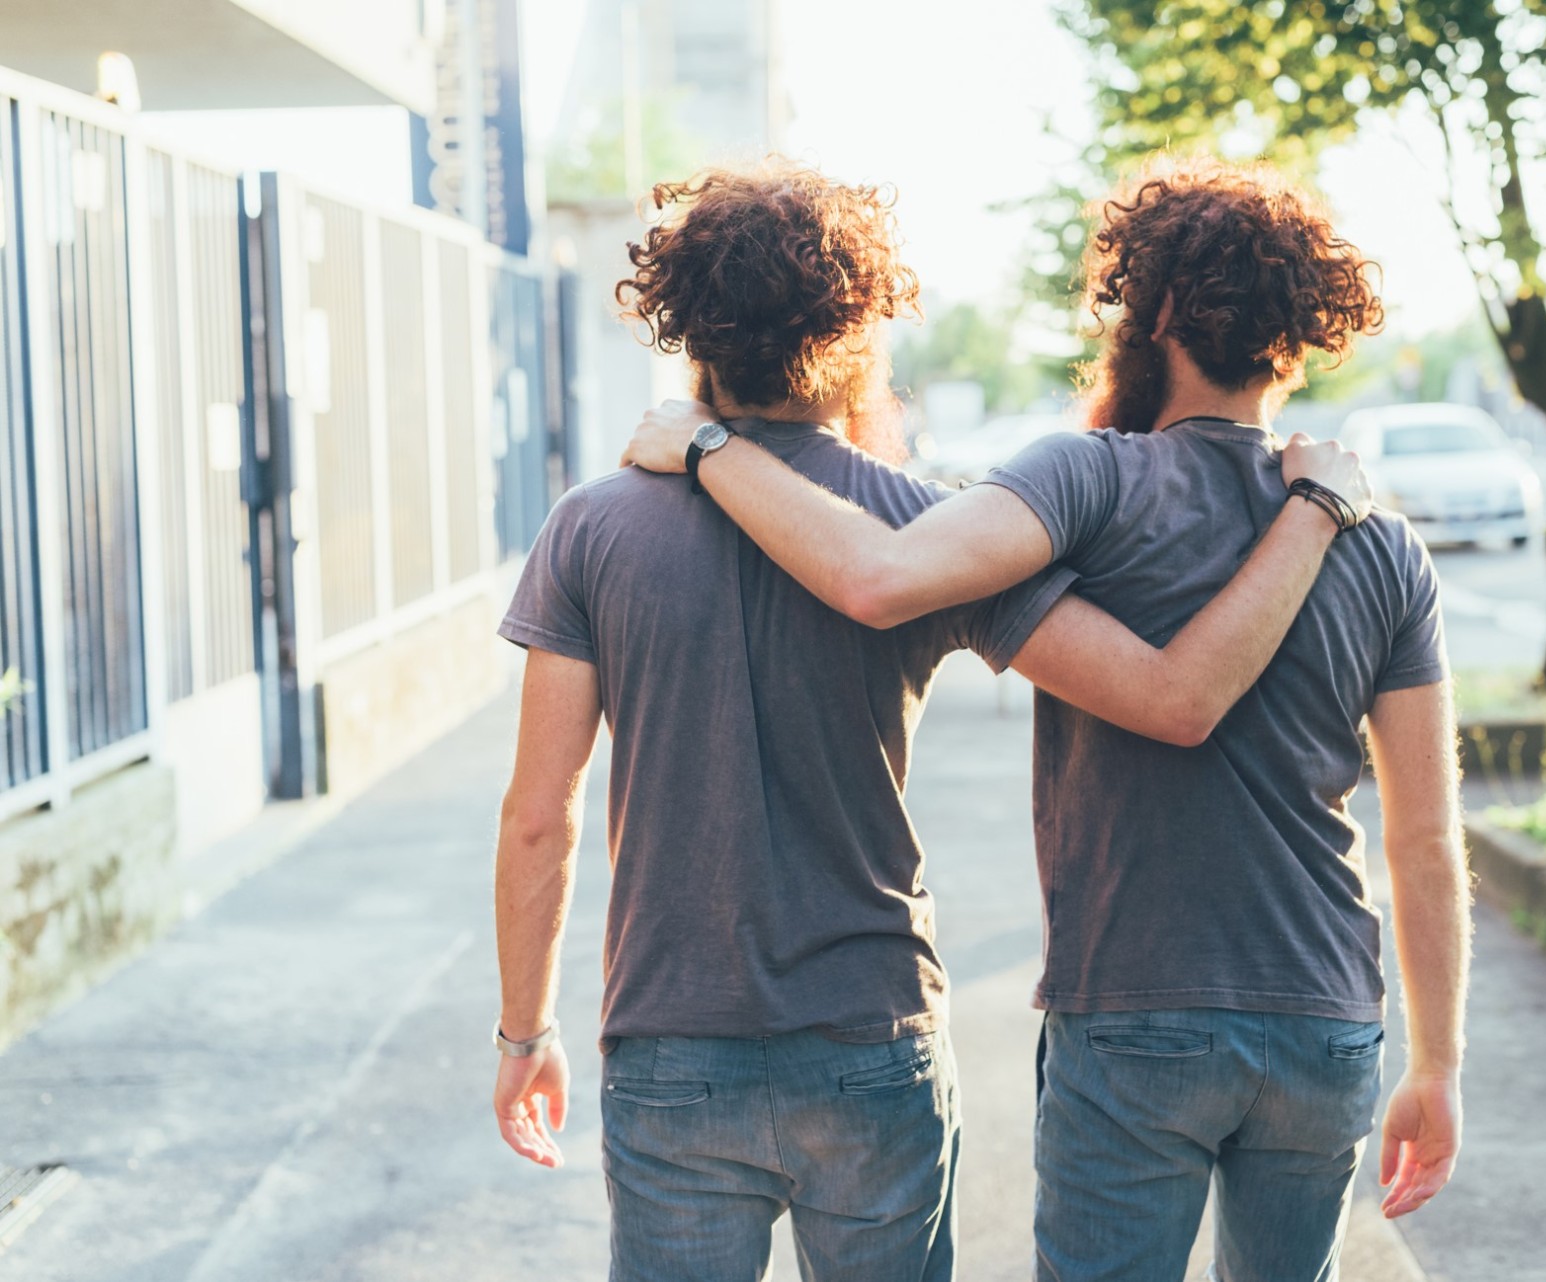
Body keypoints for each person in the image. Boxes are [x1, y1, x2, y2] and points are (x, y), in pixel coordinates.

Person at [491, 161, 1374, 1282]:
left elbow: (538, 817)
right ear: (858, 328)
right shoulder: (923, 527)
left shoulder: (591, 527)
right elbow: (1163, 693)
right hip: (874, 1036)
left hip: (674, 1039)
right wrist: (1302, 515)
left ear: (686, 325)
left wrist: (526, 1031)